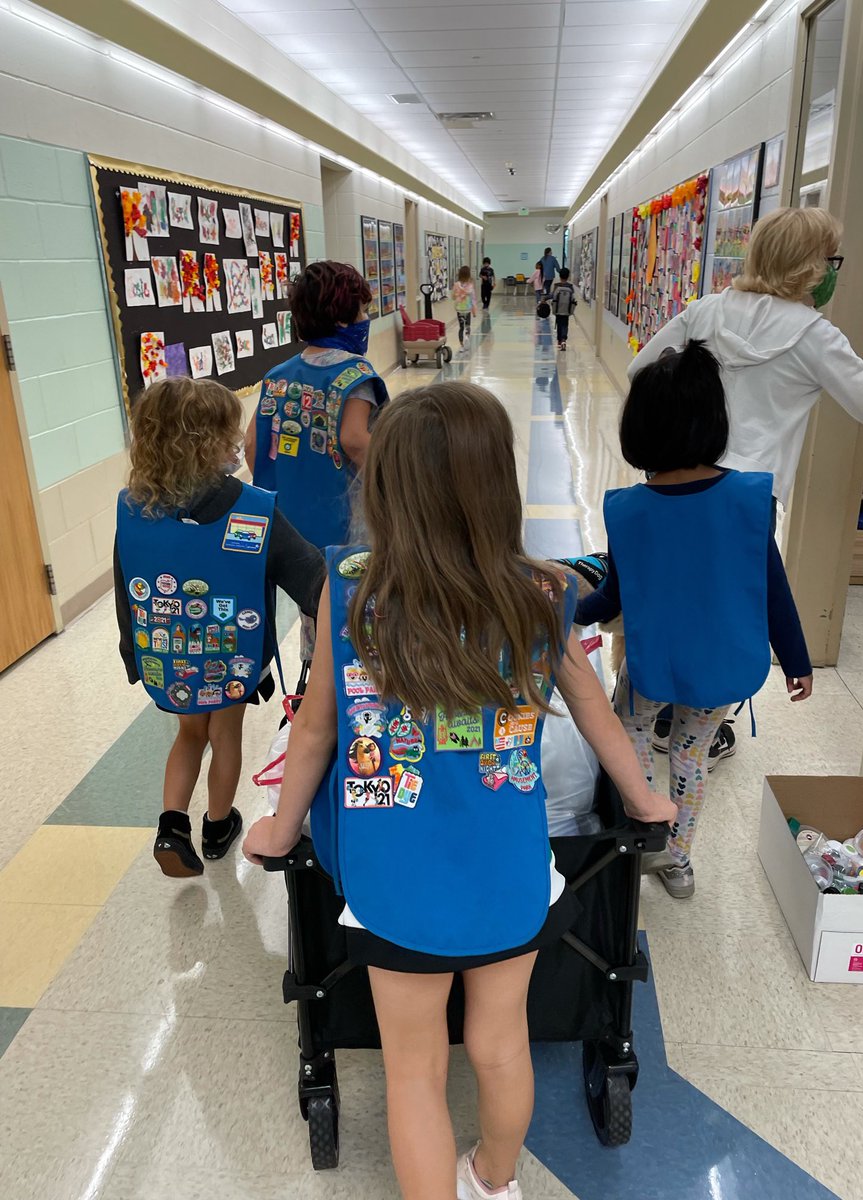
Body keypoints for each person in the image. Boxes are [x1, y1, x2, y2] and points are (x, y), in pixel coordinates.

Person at [243, 382, 676, 1200]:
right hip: (507, 875)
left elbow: (314, 732)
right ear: (496, 488)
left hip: (391, 881)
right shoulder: (542, 593)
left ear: (384, 490)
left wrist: (276, 825)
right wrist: (645, 800)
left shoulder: (354, 590)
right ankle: (495, 1178)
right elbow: (593, 713)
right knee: (500, 1045)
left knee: (412, 1071)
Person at [628, 206, 863, 760]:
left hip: (678, 483)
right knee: (729, 611)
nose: (833, 271)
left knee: (672, 597)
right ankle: (704, 722)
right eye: (831, 260)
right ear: (808, 266)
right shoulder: (814, 335)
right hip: (750, 501)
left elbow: (641, 373)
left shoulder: (705, 312)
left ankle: (653, 715)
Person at [576, 341, 813, 898]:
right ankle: (677, 862)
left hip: (652, 665)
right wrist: (796, 661)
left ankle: (630, 841)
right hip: (721, 668)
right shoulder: (753, 500)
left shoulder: (630, 510)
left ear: (639, 429)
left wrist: (566, 610)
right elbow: (772, 590)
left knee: (626, 738)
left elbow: (613, 599)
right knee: (690, 757)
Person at [114, 377, 324, 878]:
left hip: (164, 656)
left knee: (188, 733)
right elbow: (314, 579)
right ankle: (217, 825)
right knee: (225, 732)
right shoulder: (254, 509)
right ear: (213, 441)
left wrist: (133, 657)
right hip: (232, 657)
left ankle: (170, 825)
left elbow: (128, 590)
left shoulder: (132, 508)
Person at [245, 260, 389, 551]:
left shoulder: (277, 377)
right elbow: (355, 441)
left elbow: (251, 443)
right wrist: (397, 482)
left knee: (308, 593)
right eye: (361, 310)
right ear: (342, 319)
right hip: (343, 525)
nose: (365, 318)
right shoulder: (355, 373)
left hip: (288, 523)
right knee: (346, 592)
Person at [452, 264, 477, 350]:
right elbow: (473, 298)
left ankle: (462, 345)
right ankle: (466, 340)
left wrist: (458, 294)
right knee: (467, 326)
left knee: (461, 327)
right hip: (467, 309)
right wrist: (474, 311)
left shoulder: (456, 285)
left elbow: (453, 297)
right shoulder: (470, 285)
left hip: (459, 309)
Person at [551, 267, 576, 351]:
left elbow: (552, 295)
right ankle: (564, 340)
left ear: (560, 276)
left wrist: (544, 299)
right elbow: (573, 298)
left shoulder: (556, 286)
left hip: (558, 309)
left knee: (559, 324)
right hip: (567, 309)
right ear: (568, 276)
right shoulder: (570, 286)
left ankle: (559, 341)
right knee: (565, 324)